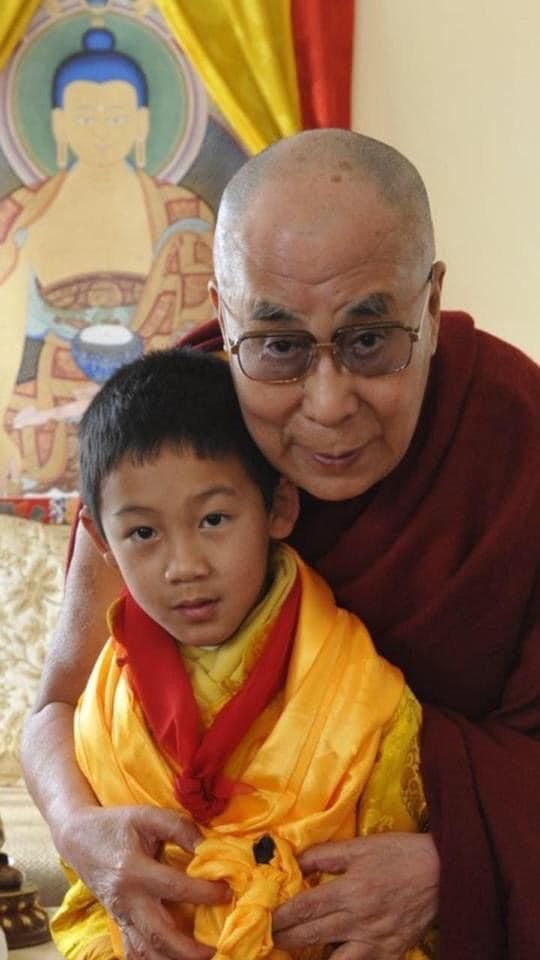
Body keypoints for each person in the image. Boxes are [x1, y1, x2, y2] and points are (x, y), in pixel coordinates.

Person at [22, 129, 540, 960]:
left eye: (371, 340)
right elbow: (53, 706)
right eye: (279, 346)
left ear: (431, 308)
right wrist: (82, 832)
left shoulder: (519, 438)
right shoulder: (170, 442)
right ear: (225, 315)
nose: (328, 405)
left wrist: (454, 862)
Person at [51, 346, 430, 960]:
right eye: (143, 533)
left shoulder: (363, 693)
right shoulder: (99, 709)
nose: (185, 567)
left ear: (278, 507)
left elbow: (388, 909)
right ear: (99, 539)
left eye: (215, 519)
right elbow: (92, 898)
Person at [0, 26, 213, 494]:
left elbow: (205, 340)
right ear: (58, 124)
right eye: (85, 116)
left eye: (116, 118)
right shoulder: (19, 216)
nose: (100, 131)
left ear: (141, 124)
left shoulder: (185, 215)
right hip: (48, 406)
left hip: (154, 401)